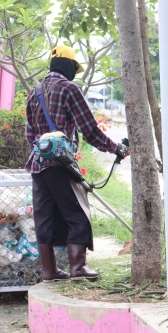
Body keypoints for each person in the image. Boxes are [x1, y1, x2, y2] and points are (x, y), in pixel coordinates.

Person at [25, 46, 129, 282]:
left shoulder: (34, 93)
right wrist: (116, 148)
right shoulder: (70, 89)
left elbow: (30, 135)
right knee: (78, 213)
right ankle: (78, 268)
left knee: (44, 218)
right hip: (60, 165)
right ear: (69, 66)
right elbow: (89, 130)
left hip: (38, 166)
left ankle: (49, 271)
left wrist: (44, 151)